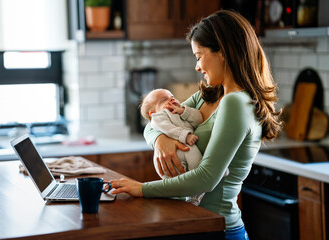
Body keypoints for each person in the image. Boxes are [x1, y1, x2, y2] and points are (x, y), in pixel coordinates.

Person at [111, 10, 281, 240]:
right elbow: (154, 122)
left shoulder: (236, 102)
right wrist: (161, 140)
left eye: (199, 56)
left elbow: (206, 178)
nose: (197, 67)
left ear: (221, 51)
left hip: (217, 229)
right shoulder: (208, 96)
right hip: (193, 223)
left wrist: (142, 189)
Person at [140, 88, 204, 205]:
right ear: (153, 113)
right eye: (165, 99)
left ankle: (213, 171)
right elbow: (166, 128)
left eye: (172, 96)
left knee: (195, 168)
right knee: (195, 162)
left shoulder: (178, 112)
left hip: (183, 150)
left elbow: (199, 119)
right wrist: (185, 136)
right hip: (177, 153)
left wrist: (183, 111)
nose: (171, 99)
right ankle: (194, 195)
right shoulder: (160, 116)